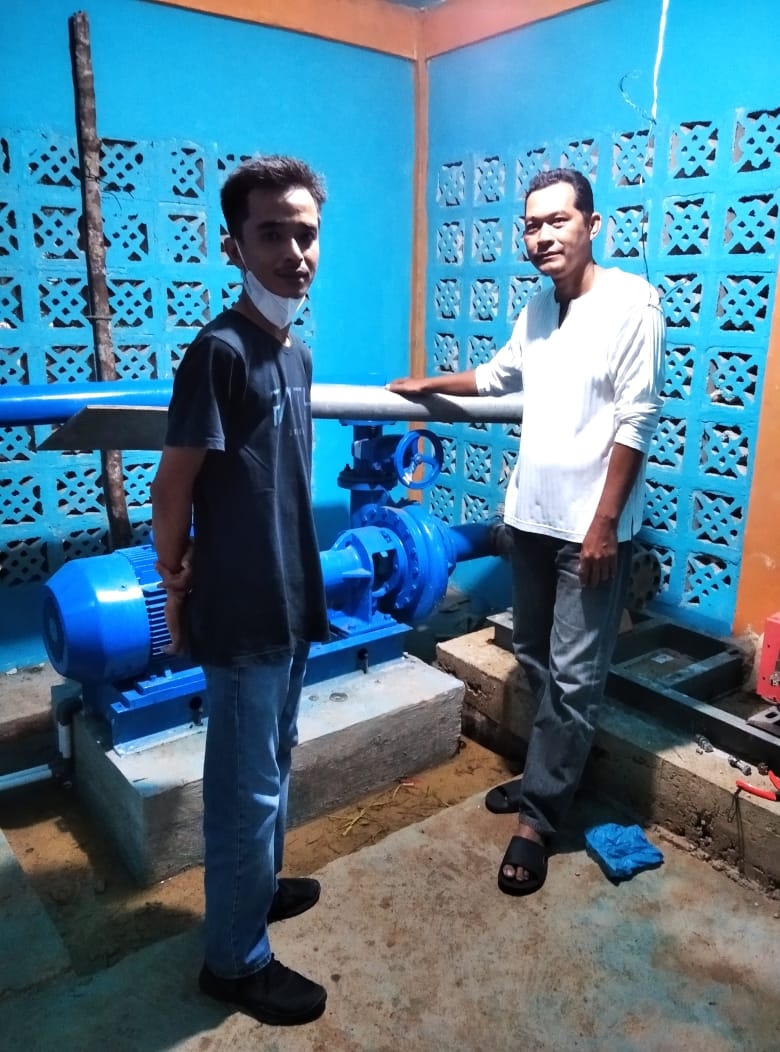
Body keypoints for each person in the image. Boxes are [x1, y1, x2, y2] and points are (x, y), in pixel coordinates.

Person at [389, 168, 665, 897]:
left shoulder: (633, 303)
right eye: (532, 225)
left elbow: (637, 420)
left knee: (574, 678)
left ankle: (539, 819)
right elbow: (498, 377)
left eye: (557, 221)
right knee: (535, 654)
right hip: (531, 521)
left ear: (592, 225)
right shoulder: (539, 308)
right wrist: (428, 384)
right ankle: (552, 775)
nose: (542, 236)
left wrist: (604, 527)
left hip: (590, 534)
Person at [150, 155, 331, 1025]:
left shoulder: (293, 351)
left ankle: (253, 892)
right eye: (271, 234)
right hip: (242, 608)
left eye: (306, 234)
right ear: (234, 247)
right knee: (243, 789)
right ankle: (233, 959)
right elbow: (172, 486)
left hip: (290, 598)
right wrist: (173, 577)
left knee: (276, 764)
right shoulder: (219, 352)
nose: (294, 253)